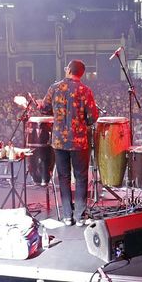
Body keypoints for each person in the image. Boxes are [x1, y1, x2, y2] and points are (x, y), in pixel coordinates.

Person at [37, 59, 99, 226]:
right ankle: (80, 216)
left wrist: (54, 110)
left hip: (59, 141)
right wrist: (82, 121)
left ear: (69, 70)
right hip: (78, 141)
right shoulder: (85, 91)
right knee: (80, 177)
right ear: (81, 73)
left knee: (63, 177)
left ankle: (67, 216)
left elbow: (44, 108)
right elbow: (93, 117)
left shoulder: (54, 87)